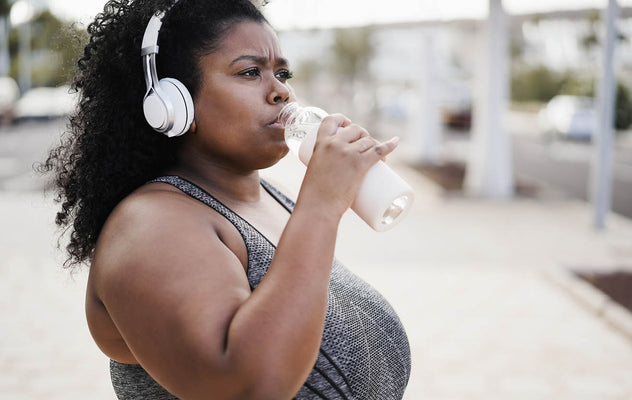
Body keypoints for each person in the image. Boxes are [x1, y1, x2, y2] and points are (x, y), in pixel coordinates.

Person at [41, 0, 411, 398]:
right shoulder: (149, 226)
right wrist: (321, 204)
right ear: (172, 103)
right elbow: (247, 387)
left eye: (282, 73)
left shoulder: (271, 200)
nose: (281, 91)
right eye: (251, 72)